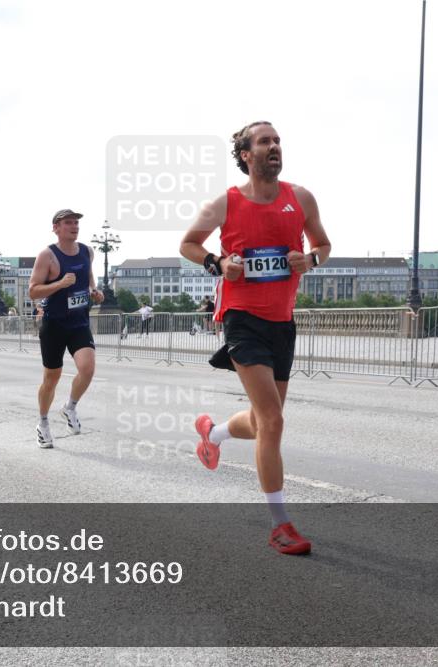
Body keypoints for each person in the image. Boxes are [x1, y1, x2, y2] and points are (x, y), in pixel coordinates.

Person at [179, 121, 331, 555]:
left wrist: (311, 261)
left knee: (267, 416)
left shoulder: (299, 198)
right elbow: (188, 244)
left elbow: (323, 244)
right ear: (246, 154)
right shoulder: (225, 203)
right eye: (265, 141)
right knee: (274, 421)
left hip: (282, 322)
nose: (274, 146)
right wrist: (216, 262)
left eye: (278, 140)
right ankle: (280, 524)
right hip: (242, 319)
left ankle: (214, 433)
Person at [28, 208, 104, 449]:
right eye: (69, 222)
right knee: (52, 378)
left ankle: (69, 407)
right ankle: (42, 423)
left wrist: (94, 290)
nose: (74, 226)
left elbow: (89, 276)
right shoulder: (47, 256)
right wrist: (60, 284)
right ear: (56, 228)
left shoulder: (86, 251)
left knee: (88, 368)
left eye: (76, 222)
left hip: (79, 322)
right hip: (54, 324)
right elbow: (32, 290)